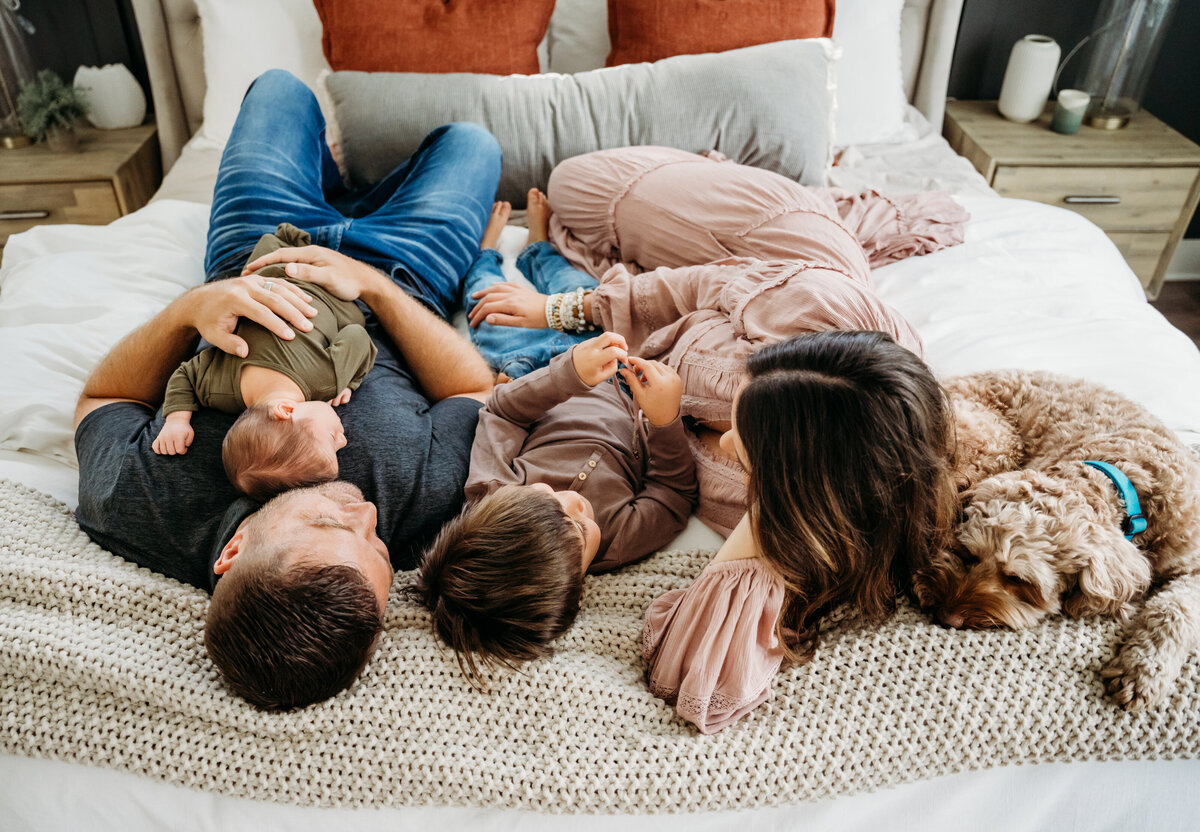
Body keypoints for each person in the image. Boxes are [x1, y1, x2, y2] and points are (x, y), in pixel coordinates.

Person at [73, 69, 500, 711]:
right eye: (380, 547)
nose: (368, 514)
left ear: (235, 551)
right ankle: (358, 199)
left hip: (256, 248)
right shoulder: (425, 512)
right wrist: (377, 287)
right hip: (404, 270)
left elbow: (101, 402)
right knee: (472, 140)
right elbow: (473, 385)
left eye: (331, 522)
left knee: (279, 89)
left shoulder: (140, 504)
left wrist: (190, 310)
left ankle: (333, 189)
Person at [466, 145, 968, 532]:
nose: (726, 438)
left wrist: (662, 422)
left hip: (639, 348)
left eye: (748, 447)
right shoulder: (821, 315)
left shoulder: (778, 513)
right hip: (770, 245)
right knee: (571, 183)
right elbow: (702, 283)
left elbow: (670, 491)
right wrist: (560, 309)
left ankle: (570, 249)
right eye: (742, 425)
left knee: (572, 264)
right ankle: (723, 182)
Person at [642, 331, 959, 733]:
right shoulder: (900, 464)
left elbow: (679, 670)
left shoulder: (774, 541)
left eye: (747, 447)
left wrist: (759, 525)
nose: (726, 440)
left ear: (800, 486)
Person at [415, 330, 698, 683]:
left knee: (494, 313)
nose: (575, 502)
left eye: (546, 494)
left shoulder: (493, 492)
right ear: (577, 583)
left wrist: (571, 371)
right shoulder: (620, 540)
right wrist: (664, 420)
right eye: (580, 530)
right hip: (637, 392)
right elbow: (673, 493)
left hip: (544, 365)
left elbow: (503, 411)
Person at [154, 223, 377, 502]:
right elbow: (185, 374)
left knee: (357, 319)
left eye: (332, 440)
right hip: (266, 274)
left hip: (327, 294)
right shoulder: (220, 390)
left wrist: (350, 379)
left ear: (285, 410)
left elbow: (358, 338)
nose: (343, 441)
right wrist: (178, 420)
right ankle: (285, 238)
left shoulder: (327, 379)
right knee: (265, 258)